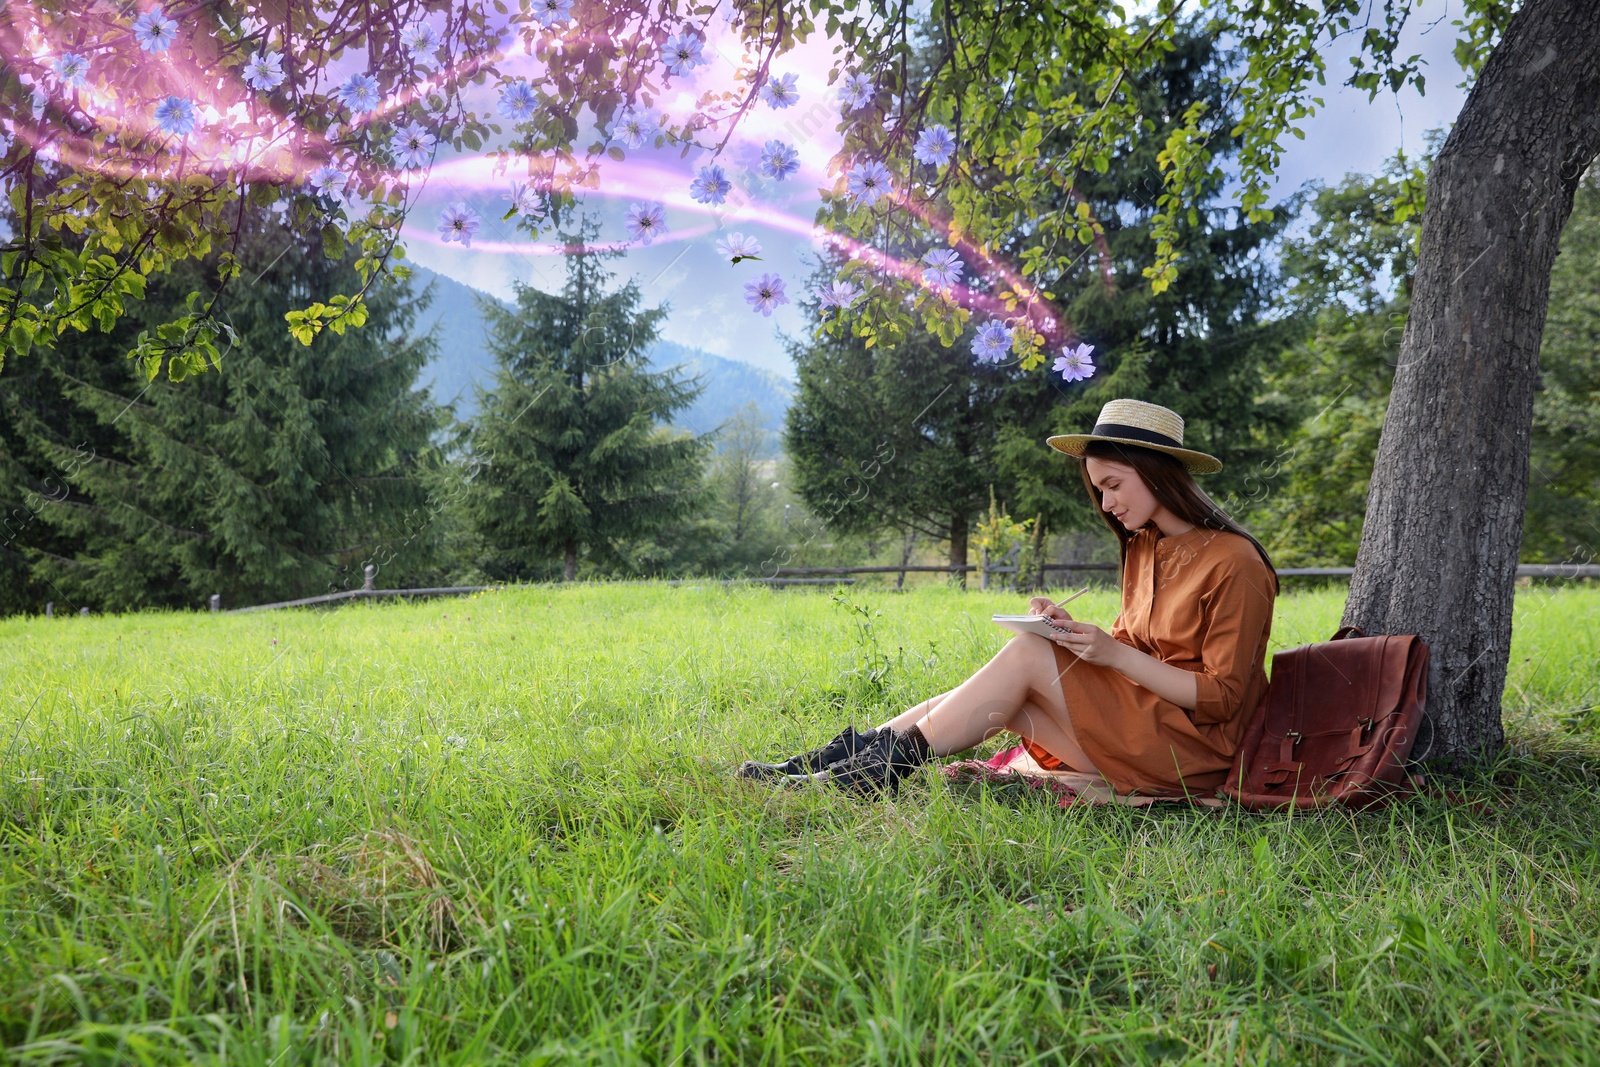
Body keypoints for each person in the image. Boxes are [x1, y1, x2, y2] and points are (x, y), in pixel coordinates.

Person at [736, 398, 1279, 801]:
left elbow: (1224, 696)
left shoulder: (1236, 562)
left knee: (1025, 657)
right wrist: (1075, 633)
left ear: (1158, 472)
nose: (1106, 503)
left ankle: (873, 774)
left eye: (1114, 485)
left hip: (1193, 751)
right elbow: (1138, 649)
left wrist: (1111, 655)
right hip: (1141, 723)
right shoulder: (1144, 549)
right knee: (1008, 681)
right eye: (1098, 490)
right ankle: (839, 761)